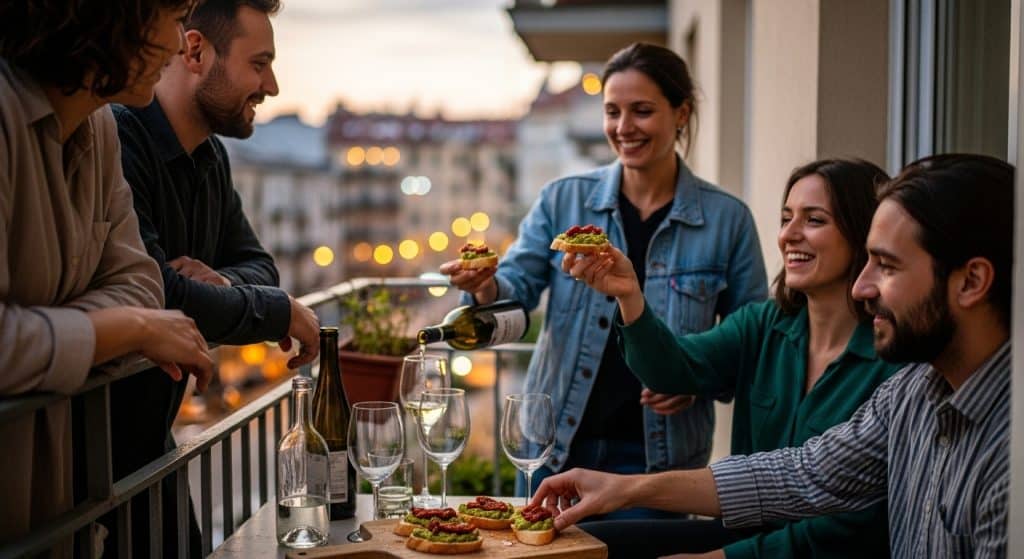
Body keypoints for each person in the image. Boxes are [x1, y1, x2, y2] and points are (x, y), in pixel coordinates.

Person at [535, 154, 1014, 558]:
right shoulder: (912, 391)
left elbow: (841, 525)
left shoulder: (1001, 452)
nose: (863, 287)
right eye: (786, 218)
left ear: (972, 282)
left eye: (886, 265)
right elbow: (801, 475)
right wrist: (623, 489)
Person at [441, 42, 767, 515]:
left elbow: (752, 341)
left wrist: (694, 376)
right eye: (612, 111)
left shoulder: (727, 220)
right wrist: (484, 287)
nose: (623, 127)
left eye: (642, 111)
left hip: (658, 466)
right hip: (556, 447)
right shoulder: (563, 200)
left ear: (681, 113)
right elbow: (516, 286)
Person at [564, 158, 900, 558]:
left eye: (814, 220)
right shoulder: (764, 323)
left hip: (820, 550)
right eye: (786, 218)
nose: (789, 234)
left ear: (863, 235)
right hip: (740, 534)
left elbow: (852, 526)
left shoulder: (892, 358)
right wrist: (629, 295)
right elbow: (671, 371)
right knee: (581, 545)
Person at [102, 0, 319, 556]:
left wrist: (218, 285)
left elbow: (260, 266)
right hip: (91, 455)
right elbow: (159, 293)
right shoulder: (121, 137)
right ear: (195, 51)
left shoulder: (210, 157)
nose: (271, 86)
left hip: (150, 447)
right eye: (259, 63)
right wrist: (278, 310)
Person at [0, 0, 214, 550]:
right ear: (110, 14)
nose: (179, 43)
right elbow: (139, 302)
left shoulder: (100, 128)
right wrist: (127, 329)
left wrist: (53, 328)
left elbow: (140, 280)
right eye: (174, 17)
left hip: (53, 514)